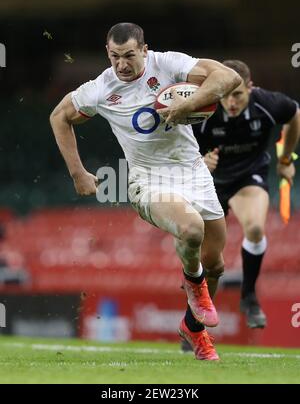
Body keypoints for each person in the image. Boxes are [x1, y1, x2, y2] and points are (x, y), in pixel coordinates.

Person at [50, 23, 241, 361]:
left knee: (216, 264)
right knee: (191, 228)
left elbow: (228, 77)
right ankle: (194, 286)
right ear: (108, 54)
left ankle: (193, 329)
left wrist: (189, 104)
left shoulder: (167, 64)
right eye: (114, 57)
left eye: (129, 56)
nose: (122, 64)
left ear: (144, 50)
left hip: (193, 171)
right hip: (147, 179)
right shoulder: (100, 89)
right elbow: (59, 116)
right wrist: (78, 172)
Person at [192, 59, 300, 329]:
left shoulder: (266, 104)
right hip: (209, 185)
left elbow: (294, 114)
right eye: (225, 95)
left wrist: (285, 159)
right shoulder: (202, 112)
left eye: (238, 94)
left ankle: (249, 296)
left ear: (251, 88)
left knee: (254, 229)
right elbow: (177, 151)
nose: (231, 102)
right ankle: (195, 323)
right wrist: (198, 162)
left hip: (247, 179)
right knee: (210, 260)